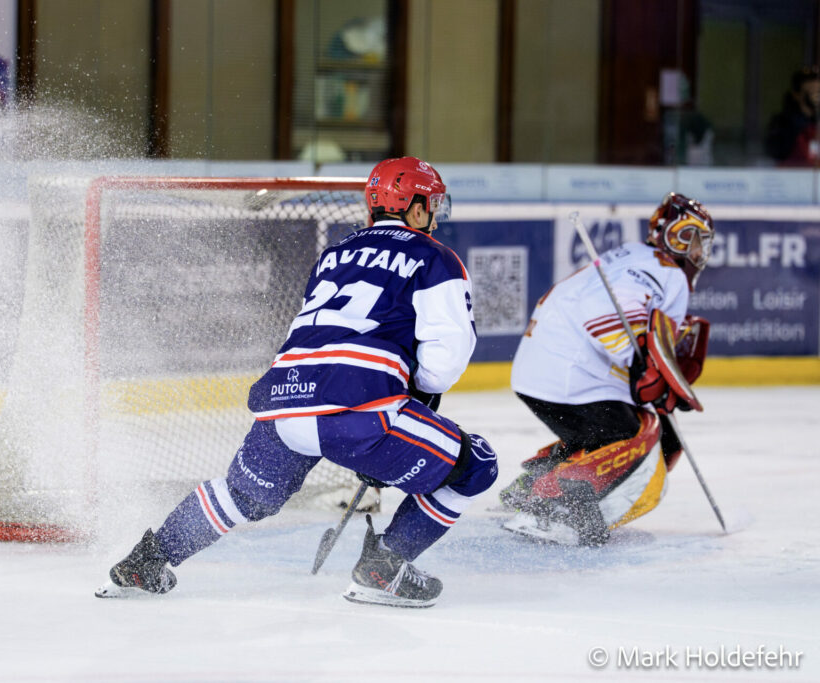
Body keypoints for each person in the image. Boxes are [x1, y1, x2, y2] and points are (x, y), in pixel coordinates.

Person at [97, 157, 499, 608]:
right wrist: (411, 400)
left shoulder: (334, 254)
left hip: (286, 397)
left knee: (242, 495)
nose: (435, 216)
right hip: (361, 407)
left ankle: (147, 559)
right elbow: (446, 357)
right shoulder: (435, 256)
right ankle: (383, 569)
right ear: (415, 206)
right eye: (432, 204)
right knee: (477, 466)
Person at [500, 193, 714, 546]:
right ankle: (553, 504)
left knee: (625, 433)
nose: (694, 249)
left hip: (543, 373)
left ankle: (534, 483)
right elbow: (604, 308)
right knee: (642, 437)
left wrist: (647, 362)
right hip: (570, 377)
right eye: (687, 236)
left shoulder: (635, 254)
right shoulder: (667, 271)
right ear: (664, 234)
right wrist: (641, 359)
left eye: (700, 241)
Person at [765, 66, 820, 167]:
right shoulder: (782, 122)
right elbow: (777, 153)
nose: (816, 98)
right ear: (796, 94)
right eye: (811, 93)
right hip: (792, 174)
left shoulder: (816, 122)